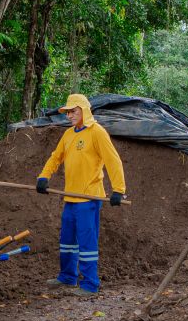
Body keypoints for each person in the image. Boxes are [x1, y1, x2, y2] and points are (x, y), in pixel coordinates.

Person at [36, 94, 126, 296]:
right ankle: (67, 277)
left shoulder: (97, 132)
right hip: (70, 197)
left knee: (87, 243)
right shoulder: (68, 135)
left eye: (73, 111)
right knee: (67, 240)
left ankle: (90, 285)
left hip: (89, 199)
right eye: (68, 112)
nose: (70, 115)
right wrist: (44, 177)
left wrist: (118, 189)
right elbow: (55, 157)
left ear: (84, 110)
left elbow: (113, 160)